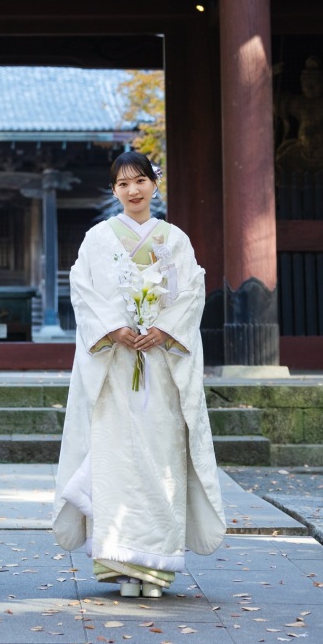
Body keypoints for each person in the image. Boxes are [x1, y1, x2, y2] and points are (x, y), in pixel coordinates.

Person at [52, 150, 225, 598]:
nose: (133, 190)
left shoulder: (175, 240)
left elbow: (191, 292)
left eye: (140, 181)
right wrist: (116, 328)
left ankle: (156, 569)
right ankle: (118, 565)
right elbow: (83, 289)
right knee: (117, 464)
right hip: (115, 367)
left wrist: (162, 329)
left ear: (154, 183)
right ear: (114, 191)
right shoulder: (97, 238)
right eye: (123, 184)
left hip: (161, 368)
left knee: (160, 462)